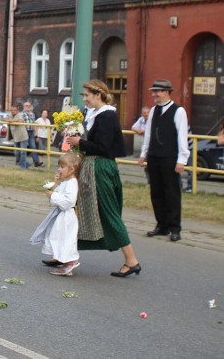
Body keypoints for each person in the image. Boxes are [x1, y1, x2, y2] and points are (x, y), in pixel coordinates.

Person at [66, 79, 141, 277]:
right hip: (93, 166)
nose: (85, 99)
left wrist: (79, 141)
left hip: (101, 167)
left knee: (109, 212)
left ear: (98, 95)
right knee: (76, 210)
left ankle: (131, 260)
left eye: (87, 95)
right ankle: (64, 254)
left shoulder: (106, 116)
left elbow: (104, 148)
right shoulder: (93, 114)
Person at [138, 79, 189, 242]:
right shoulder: (153, 110)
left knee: (172, 193)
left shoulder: (178, 111)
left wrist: (182, 159)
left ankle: (175, 228)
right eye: (153, 91)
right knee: (156, 192)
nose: (154, 95)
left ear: (166, 92)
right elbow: (148, 133)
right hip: (154, 156)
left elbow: (182, 136)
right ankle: (161, 225)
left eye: (157, 92)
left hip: (170, 157)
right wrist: (143, 153)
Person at [30, 152, 81, 276]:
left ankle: (71, 260)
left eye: (62, 167)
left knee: (65, 238)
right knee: (58, 237)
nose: (59, 169)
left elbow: (68, 201)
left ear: (72, 169)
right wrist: (56, 184)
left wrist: (53, 195)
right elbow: (59, 195)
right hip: (61, 215)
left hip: (67, 217)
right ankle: (63, 260)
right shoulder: (66, 182)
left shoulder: (72, 183)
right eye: (59, 166)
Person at [22, 102, 43, 167]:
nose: (28, 107)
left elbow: (34, 123)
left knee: (33, 147)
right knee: (24, 148)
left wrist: (36, 133)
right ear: (24, 106)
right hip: (24, 132)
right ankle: (23, 163)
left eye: (29, 106)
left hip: (31, 132)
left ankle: (36, 162)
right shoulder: (21, 114)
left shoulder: (32, 114)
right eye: (26, 106)